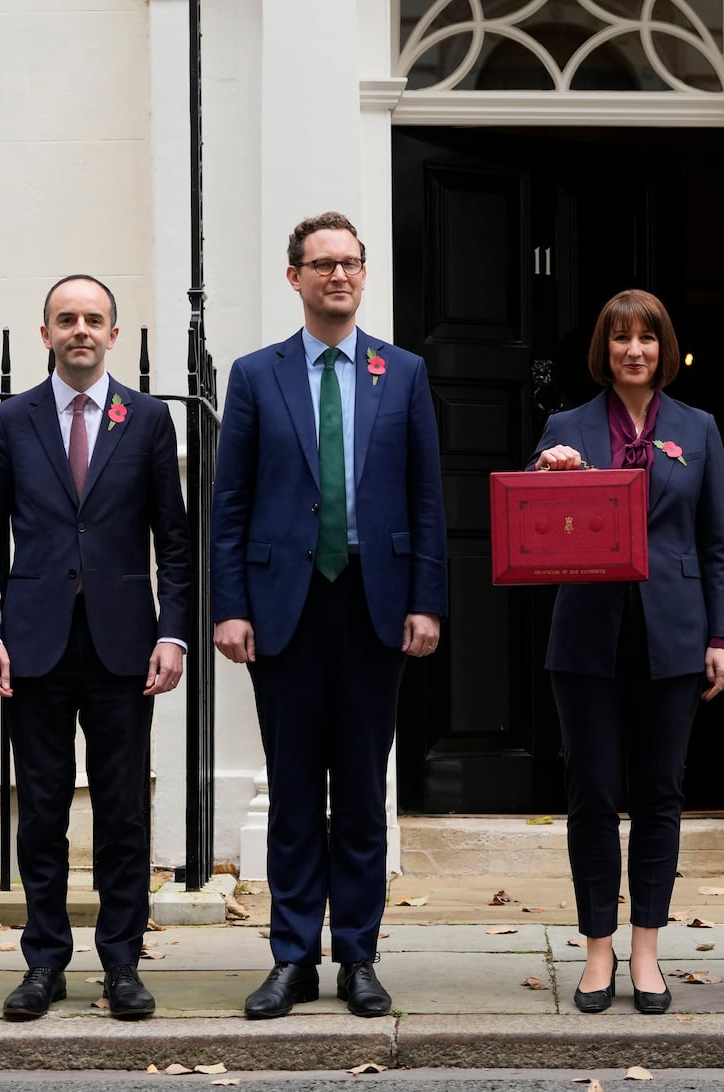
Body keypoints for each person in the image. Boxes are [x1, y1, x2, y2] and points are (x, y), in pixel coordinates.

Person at [211, 211, 447, 1020]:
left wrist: (427, 599)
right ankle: (290, 957)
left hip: (376, 605)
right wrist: (229, 607)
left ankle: (357, 956)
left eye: (349, 263)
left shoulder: (403, 372)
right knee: (292, 792)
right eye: (322, 265)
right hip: (284, 607)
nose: (337, 276)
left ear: (363, 273)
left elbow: (425, 495)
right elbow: (229, 501)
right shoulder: (254, 374)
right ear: (295, 278)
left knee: (359, 788)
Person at [0, 274, 191, 1022]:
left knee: (123, 813)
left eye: (93, 319)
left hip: (126, 647)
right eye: (66, 319)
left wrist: (174, 631)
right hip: (33, 646)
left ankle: (122, 963)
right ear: (46, 334)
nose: (81, 330)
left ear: (114, 334)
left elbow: (177, 542)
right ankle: (44, 962)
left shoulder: (150, 419)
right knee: (43, 812)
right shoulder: (12, 420)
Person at [529, 288, 724, 1016]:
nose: (635, 351)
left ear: (665, 347)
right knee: (591, 794)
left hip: (674, 635)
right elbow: (534, 535)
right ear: (604, 350)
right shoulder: (566, 427)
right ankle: (596, 950)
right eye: (620, 339)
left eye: (647, 338)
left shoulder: (699, 429)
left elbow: (716, 544)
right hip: (586, 635)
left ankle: (646, 949)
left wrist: (721, 638)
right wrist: (548, 479)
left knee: (661, 794)